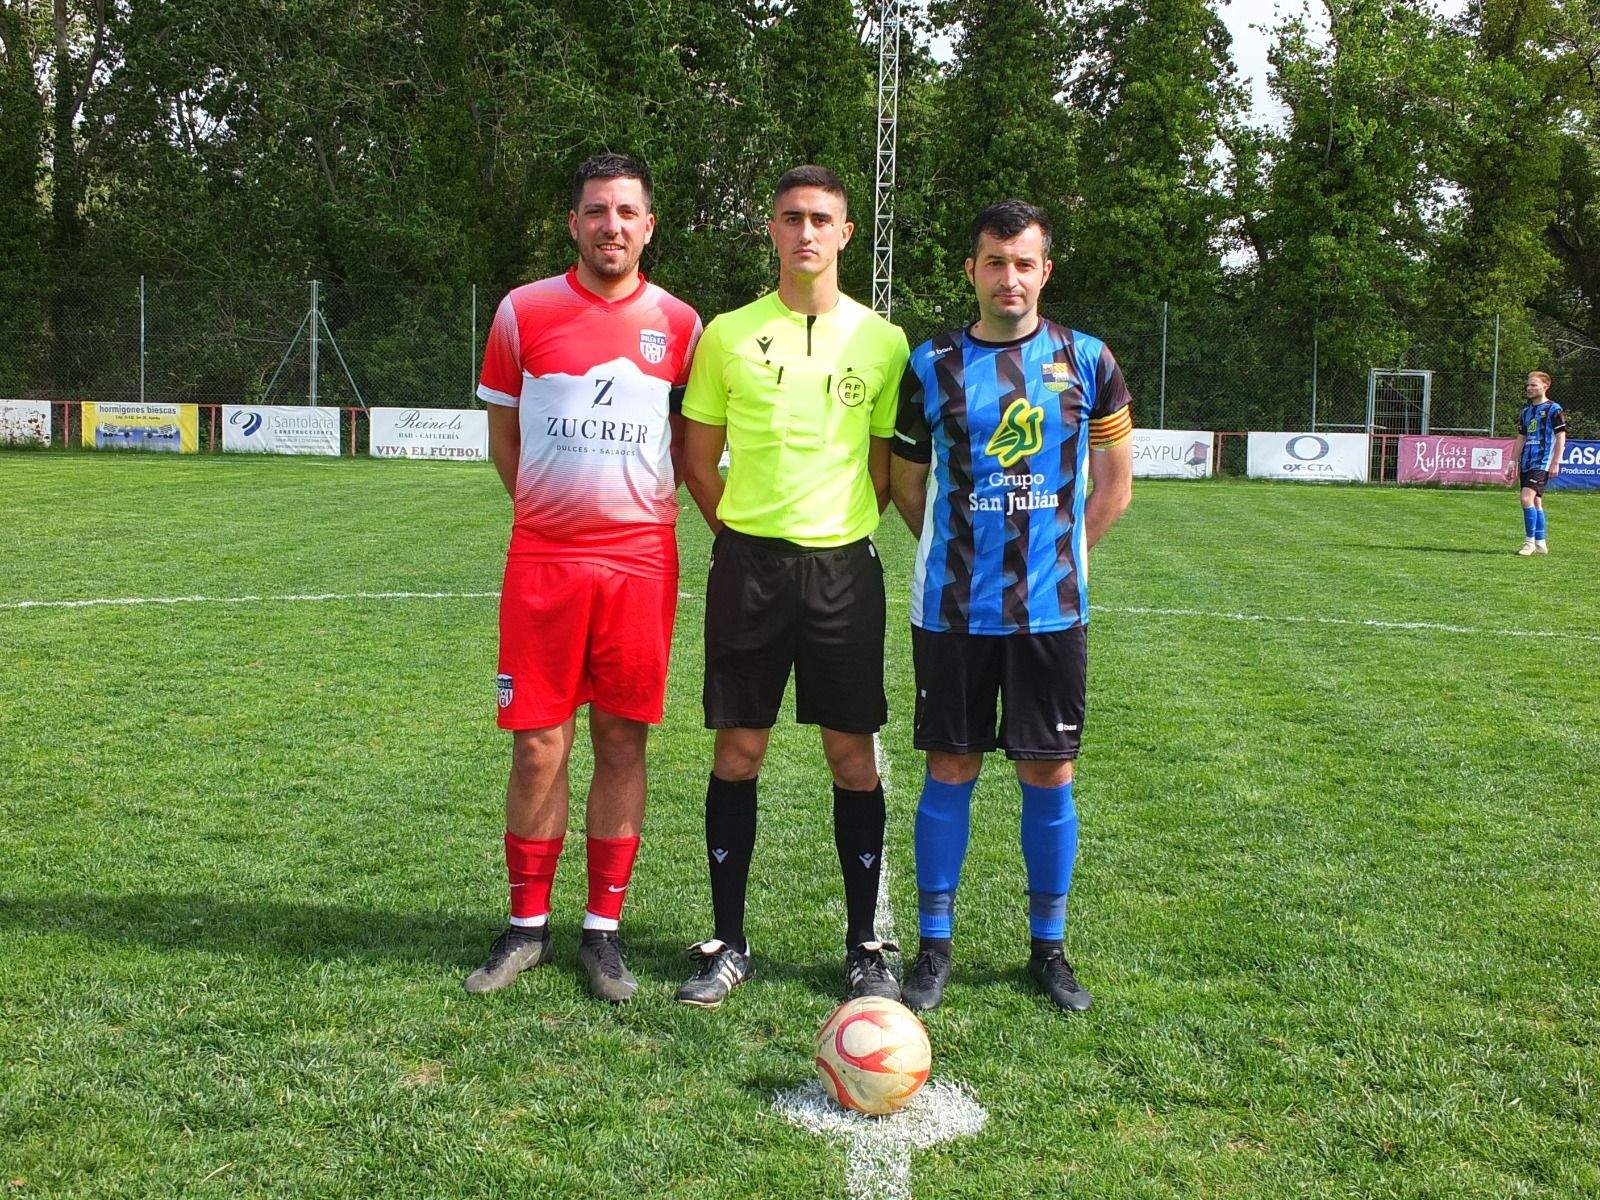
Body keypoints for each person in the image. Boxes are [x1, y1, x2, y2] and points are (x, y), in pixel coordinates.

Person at [465, 153, 701, 1003]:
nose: (612, 225)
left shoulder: (681, 324)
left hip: (641, 562)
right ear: (574, 223)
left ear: (648, 226)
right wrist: (552, 511)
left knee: (622, 740)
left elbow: (688, 444)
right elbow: (504, 442)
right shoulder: (523, 311)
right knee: (537, 745)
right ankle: (526, 926)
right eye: (597, 211)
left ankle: (602, 931)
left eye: (627, 212)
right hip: (545, 560)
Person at [887, 199, 1133, 1014]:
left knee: (1049, 769)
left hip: (1051, 613)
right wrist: (952, 550)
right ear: (972, 270)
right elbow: (906, 482)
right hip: (953, 613)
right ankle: (933, 947)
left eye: (1024, 262)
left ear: (1045, 272)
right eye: (994, 261)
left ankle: (1050, 949)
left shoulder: (1089, 360)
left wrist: (1061, 559)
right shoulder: (931, 364)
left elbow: (1115, 487)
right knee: (949, 765)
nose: (1009, 277)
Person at [674, 165, 910, 1008]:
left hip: (844, 568)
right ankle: (727, 941)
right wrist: (745, 537)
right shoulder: (728, 334)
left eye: (821, 219)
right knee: (738, 751)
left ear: (847, 233)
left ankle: (864, 944)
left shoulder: (884, 342)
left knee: (851, 758)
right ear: (770, 230)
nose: (805, 232)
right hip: (748, 569)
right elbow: (697, 463)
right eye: (790, 218)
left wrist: (831, 531)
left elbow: (885, 467)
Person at [1513, 371, 1566, 556]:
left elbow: (1561, 437)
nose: (1529, 388)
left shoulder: (1554, 409)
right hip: (1527, 461)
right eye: (1528, 385)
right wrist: (1513, 461)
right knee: (1536, 501)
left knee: (1525, 498)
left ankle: (1529, 543)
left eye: (1533, 385)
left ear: (1545, 386)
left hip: (1542, 462)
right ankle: (1541, 542)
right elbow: (1521, 437)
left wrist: (1556, 462)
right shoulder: (1526, 412)